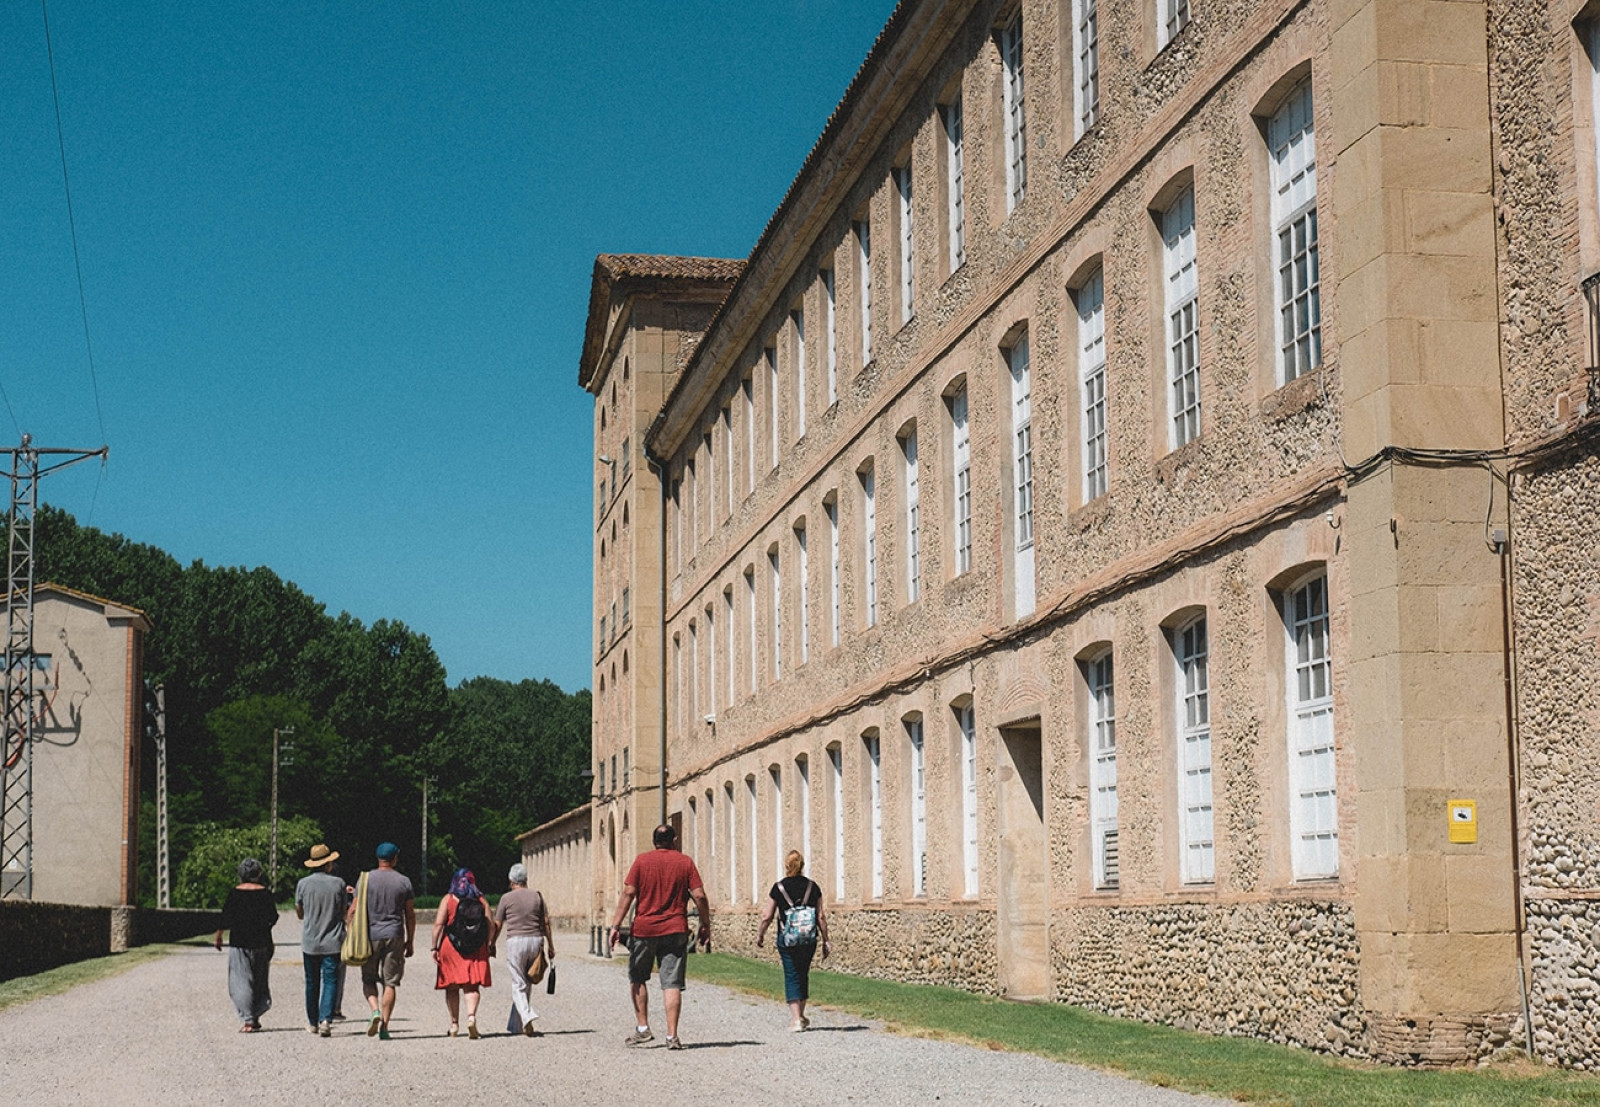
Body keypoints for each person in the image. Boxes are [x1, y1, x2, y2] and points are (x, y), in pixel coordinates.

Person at [606, 824, 711, 1050]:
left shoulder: (642, 862)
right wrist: (705, 924)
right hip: (675, 929)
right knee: (671, 983)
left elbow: (628, 893)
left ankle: (643, 1028)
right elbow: (700, 896)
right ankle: (672, 1036)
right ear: (674, 841)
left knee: (638, 977)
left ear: (654, 841)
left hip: (644, 929)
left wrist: (615, 925)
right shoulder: (685, 862)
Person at [755, 850, 831, 1032]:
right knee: (803, 973)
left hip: (787, 938)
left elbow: (767, 916)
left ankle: (796, 1019)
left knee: (791, 974)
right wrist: (826, 940)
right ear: (802, 865)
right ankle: (802, 1016)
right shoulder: (813, 887)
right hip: (808, 939)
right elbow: (820, 916)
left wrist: (760, 934)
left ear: (786, 866)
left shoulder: (779, 888)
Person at [349, 841, 416, 1041]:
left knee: (368, 979)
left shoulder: (365, 880)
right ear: (394, 858)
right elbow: (410, 914)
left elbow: (353, 910)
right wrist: (410, 940)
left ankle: (375, 1010)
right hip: (394, 934)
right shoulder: (404, 881)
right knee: (390, 982)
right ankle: (385, 1026)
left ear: (378, 859)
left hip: (369, 935)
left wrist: (350, 934)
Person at [431, 867, 497, 1038]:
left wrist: (434, 947)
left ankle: (454, 1025)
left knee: (451, 987)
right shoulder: (481, 900)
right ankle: (471, 1018)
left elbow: (439, 925)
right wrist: (489, 943)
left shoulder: (448, 899)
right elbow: (491, 925)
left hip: (451, 947)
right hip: (475, 947)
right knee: (471, 986)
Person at [214, 857, 277, 1032]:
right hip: (261, 941)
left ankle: (248, 1020)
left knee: (241, 980)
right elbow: (272, 918)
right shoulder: (265, 893)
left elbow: (225, 917)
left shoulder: (234, 893)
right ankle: (255, 1015)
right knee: (259, 980)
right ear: (258, 874)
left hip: (240, 942)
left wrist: (218, 936)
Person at [295, 843, 348, 1037]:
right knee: (331, 980)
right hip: (333, 940)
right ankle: (326, 1019)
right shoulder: (339, 884)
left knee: (311, 982)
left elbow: (299, 912)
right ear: (328, 865)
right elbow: (344, 911)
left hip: (310, 941)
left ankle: (313, 1022)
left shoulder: (302, 884)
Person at [494, 862, 552, 1037]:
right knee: (526, 983)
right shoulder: (537, 896)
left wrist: (491, 943)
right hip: (535, 940)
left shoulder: (506, 898)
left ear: (512, 881)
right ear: (526, 879)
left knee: (518, 984)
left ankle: (527, 1016)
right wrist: (551, 945)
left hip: (516, 941)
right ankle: (516, 1025)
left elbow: (498, 924)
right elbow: (546, 922)